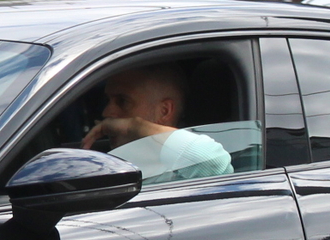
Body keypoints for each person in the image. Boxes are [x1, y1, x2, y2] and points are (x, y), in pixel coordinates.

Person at [81, 65, 230, 184]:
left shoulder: (181, 175)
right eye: (108, 101)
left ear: (164, 111)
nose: (107, 112)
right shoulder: (112, 166)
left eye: (123, 101)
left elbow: (212, 162)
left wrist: (132, 126)